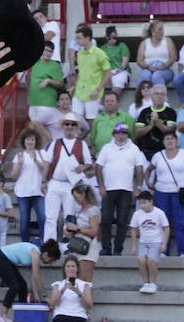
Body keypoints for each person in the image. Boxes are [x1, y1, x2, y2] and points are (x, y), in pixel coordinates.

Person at [41, 116, 94, 248]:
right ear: (63, 127)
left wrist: (83, 167)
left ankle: (66, 244)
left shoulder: (81, 144)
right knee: (50, 216)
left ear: (76, 127)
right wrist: (43, 181)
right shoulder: (55, 143)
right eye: (67, 124)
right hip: (55, 182)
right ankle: (49, 244)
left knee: (69, 215)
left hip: (71, 184)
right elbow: (47, 163)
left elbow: (89, 163)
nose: (69, 126)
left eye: (72, 124)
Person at [95, 123, 145, 256]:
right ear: (114, 134)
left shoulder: (134, 149)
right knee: (105, 219)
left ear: (127, 134)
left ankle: (118, 249)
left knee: (122, 221)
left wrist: (139, 187)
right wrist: (101, 185)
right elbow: (98, 167)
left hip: (126, 189)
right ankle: (106, 247)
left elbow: (139, 168)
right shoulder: (106, 148)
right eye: (118, 133)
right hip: (109, 189)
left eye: (123, 133)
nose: (121, 136)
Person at [147, 131, 184, 256]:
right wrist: (149, 182)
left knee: (181, 223)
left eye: (172, 138)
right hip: (162, 192)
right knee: (163, 222)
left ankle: (182, 252)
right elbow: (148, 170)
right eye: (167, 139)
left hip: (179, 193)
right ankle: (164, 251)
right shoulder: (158, 155)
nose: (170, 141)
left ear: (176, 141)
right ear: (163, 142)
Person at [47, 254, 92, 322]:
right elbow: (52, 303)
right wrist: (63, 289)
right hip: (61, 318)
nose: (70, 269)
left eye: (73, 266)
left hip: (78, 318)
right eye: (68, 266)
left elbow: (89, 305)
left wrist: (78, 292)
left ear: (77, 269)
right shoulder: (57, 284)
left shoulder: (85, 285)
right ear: (64, 269)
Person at [129, 190, 168, 294]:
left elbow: (166, 228)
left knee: (151, 261)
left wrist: (164, 243)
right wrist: (133, 246)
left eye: (144, 202)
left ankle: (153, 283)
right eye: (140, 203)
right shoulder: (137, 214)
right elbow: (133, 229)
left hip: (156, 242)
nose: (142, 206)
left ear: (151, 202)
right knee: (141, 261)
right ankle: (145, 283)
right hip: (143, 242)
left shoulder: (159, 213)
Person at [62, 181, 101, 281]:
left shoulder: (93, 210)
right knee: (76, 280)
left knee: (85, 280)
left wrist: (77, 228)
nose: (75, 200)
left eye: (76, 197)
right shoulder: (78, 211)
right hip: (77, 246)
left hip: (88, 247)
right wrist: (70, 232)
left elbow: (94, 231)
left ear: (83, 194)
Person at [135, 21, 177, 90]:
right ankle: (141, 99)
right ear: (153, 31)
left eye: (162, 29)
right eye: (160, 29)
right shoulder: (144, 43)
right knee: (145, 76)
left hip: (165, 69)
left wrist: (164, 66)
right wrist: (148, 67)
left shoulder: (168, 40)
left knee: (156, 76)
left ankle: (162, 100)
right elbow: (139, 60)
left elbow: (173, 57)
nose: (163, 31)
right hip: (148, 68)